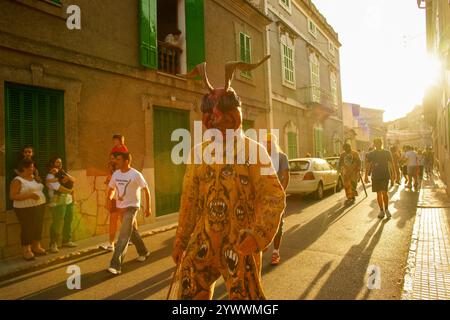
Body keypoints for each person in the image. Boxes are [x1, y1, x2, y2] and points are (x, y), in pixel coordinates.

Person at [172, 56, 285, 300]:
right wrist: (181, 240)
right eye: (210, 112)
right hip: (202, 241)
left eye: (224, 110)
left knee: (244, 298)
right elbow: (189, 199)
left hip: (240, 242)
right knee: (190, 293)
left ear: (236, 113)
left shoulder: (255, 151)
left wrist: (257, 234)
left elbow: (273, 195)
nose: (217, 117)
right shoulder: (197, 153)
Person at [106, 152, 152, 275]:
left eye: (119, 159)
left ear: (126, 161)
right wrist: (109, 199)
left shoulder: (136, 174)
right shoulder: (116, 174)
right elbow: (111, 189)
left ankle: (116, 265)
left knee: (123, 236)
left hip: (132, 207)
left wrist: (148, 208)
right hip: (121, 208)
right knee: (131, 232)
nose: (116, 161)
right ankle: (144, 252)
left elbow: (146, 190)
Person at [10, 158, 47, 260]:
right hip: (24, 208)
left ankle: (36, 246)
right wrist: (29, 196)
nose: (33, 168)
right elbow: (12, 196)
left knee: (38, 226)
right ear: (24, 168)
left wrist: (39, 180)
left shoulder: (34, 178)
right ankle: (27, 250)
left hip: (39, 205)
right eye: (31, 167)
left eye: (33, 166)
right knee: (27, 228)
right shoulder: (18, 180)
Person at [262, 133, 290, 266]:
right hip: (263, 197)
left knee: (278, 224)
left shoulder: (282, 157)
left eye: (269, 142)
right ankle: (265, 242)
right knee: (263, 222)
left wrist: (281, 192)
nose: (267, 145)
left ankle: (276, 252)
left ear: (274, 143)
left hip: (277, 196)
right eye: (265, 142)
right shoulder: (261, 158)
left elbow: (286, 175)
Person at [47, 156, 77, 253]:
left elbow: (74, 180)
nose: (59, 164)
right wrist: (70, 190)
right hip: (58, 201)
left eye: (60, 162)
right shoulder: (50, 176)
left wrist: (68, 177)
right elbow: (58, 188)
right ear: (52, 164)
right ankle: (53, 243)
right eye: (57, 162)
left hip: (68, 200)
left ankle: (66, 240)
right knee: (57, 222)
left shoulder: (63, 172)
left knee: (68, 219)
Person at [365, 138, 394, 219]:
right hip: (375, 176)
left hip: (385, 175)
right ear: (374, 144)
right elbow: (368, 164)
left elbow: (391, 163)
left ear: (381, 143)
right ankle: (381, 210)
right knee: (378, 193)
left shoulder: (387, 152)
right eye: (376, 143)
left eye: (379, 143)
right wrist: (366, 175)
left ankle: (387, 209)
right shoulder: (372, 154)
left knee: (384, 192)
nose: (377, 144)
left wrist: (394, 174)